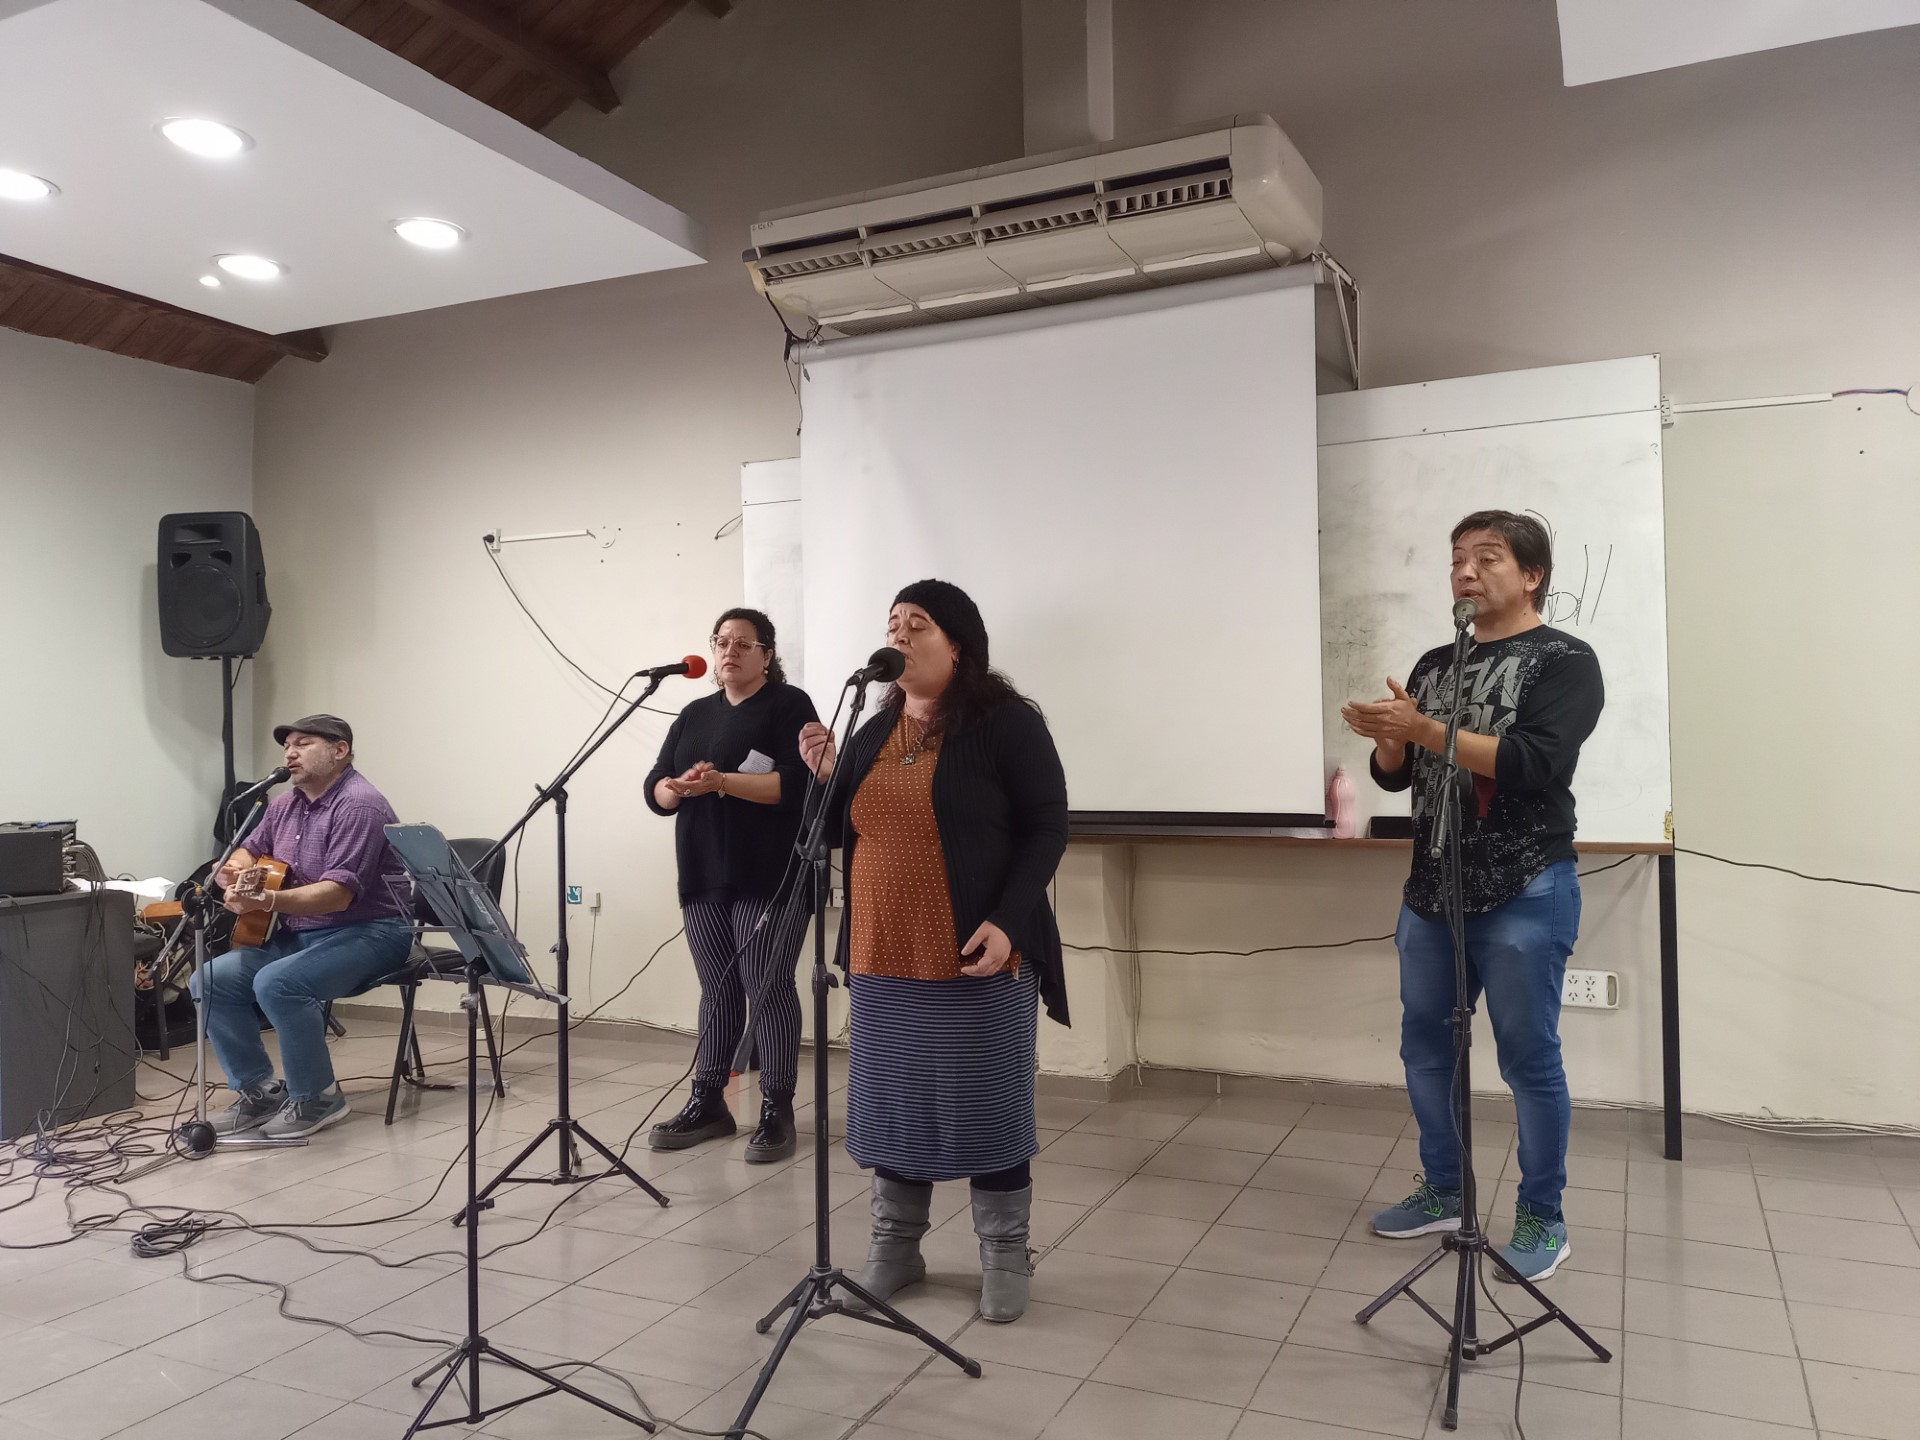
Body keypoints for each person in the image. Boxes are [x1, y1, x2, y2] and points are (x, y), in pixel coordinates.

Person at [798, 580, 1069, 1324]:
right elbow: (835, 830)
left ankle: (1005, 1253)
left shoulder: (1006, 723)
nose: (900, 634)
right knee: (894, 1107)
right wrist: (824, 777)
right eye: (893, 623)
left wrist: (1009, 921)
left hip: (976, 952)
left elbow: (1048, 827)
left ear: (957, 645)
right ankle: (896, 1248)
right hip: (882, 954)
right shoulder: (872, 730)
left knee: (987, 1104)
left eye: (917, 624)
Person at [1343, 511, 1604, 1282]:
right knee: (1425, 1046)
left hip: (1526, 884)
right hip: (1432, 889)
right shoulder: (1435, 662)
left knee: (1529, 1058)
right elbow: (1400, 777)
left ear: (1532, 575)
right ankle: (1445, 1190)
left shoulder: (1565, 660)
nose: (1465, 570)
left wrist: (1423, 729)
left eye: (1487, 558)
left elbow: (1532, 761)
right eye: (1457, 557)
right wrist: (1390, 740)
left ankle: (1542, 1215)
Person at [644, 608, 819, 1163]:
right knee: (716, 988)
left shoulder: (789, 705)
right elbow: (656, 789)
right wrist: (676, 786)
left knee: (767, 986)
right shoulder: (694, 714)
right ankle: (709, 1102)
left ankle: (777, 1108)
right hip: (702, 873)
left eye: (744, 643)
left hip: (770, 876)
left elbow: (793, 786)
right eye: (721, 642)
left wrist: (721, 782)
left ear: (767, 655)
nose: (729, 651)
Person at [195, 715, 412, 1140]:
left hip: (373, 932)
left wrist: (267, 900)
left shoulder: (359, 805)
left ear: (339, 750)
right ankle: (259, 1091)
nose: (290, 754)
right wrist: (234, 868)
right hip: (303, 933)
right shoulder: (284, 805)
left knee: (278, 983)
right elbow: (248, 849)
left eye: (303, 743)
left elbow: (338, 894)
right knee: (209, 979)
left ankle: (319, 1096)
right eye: (287, 746)